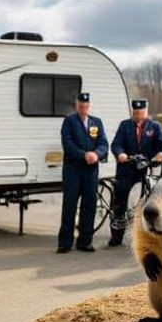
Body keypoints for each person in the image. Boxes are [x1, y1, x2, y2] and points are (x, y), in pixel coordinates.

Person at [108, 99, 162, 247]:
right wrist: (120, 154)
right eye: (136, 112)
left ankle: (149, 238)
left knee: (151, 203)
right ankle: (116, 235)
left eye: (141, 112)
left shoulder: (154, 127)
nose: (138, 115)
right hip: (127, 169)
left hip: (147, 170)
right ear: (132, 112)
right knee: (119, 198)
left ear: (146, 112)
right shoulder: (125, 126)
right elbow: (116, 144)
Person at [58, 92, 109, 253]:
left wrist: (97, 154)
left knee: (89, 206)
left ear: (89, 106)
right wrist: (84, 154)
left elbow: (103, 144)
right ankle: (65, 242)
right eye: (81, 106)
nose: (83, 108)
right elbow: (67, 143)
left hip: (91, 171)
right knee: (69, 206)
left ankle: (85, 242)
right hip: (73, 170)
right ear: (76, 105)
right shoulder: (69, 121)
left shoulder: (97, 122)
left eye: (86, 106)